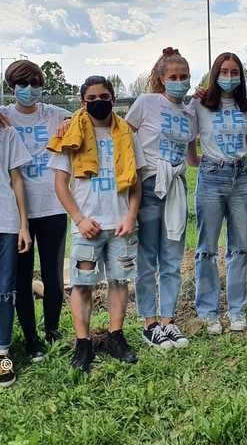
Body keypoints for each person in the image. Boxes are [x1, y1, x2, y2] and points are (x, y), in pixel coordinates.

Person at [48, 76, 143, 372]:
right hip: (86, 226)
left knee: (119, 281)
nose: (98, 102)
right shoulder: (71, 132)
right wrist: (78, 217)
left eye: (104, 96)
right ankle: (83, 342)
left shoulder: (126, 131)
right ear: (82, 102)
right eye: (92, 98)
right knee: (81, 285)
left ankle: (115, 336)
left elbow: (136, 182)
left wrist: (130, 215)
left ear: (113, 99)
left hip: (120, 224)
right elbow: (61, 184)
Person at [1, 60, 71, 362]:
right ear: (11, 88)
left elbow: (86, 116)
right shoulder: (4, 117)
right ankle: (31, 338)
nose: (30, 90)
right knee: (22, 278)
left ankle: (53, 330)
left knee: (54, 275)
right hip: (19, 211)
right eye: (22, 85)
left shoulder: (54, 114)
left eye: (35, 84)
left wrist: (74, 122)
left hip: (53, 204)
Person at [125, 47, 196, 348]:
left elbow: (192, 153)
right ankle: (149, 322)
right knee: (147, 258)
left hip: (176, 186)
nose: (180, 81)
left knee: (171, 257)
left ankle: (168, 319)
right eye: (174, 77)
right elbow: (124, 134)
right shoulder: (147, 103)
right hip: (150, 185)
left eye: (184, 77)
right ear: (162, 79)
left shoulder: (190, 111)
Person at [187, 52, 247, 334]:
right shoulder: (200, 104)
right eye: (224, 71)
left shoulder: (246, 106)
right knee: (207, 248)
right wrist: (196, 160)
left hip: (241, 176)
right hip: (212, 176)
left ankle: (236, 309)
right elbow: (190, 138)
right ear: (215, 74)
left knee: (239, 248)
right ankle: (208, 310)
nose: (229, 77)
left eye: (234, 72)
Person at [0, 126, 32, 387]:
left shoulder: (6, 133)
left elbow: (16, 178)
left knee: (5, 290)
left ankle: (3, 354)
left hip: (6, 222)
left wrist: (24, 225)